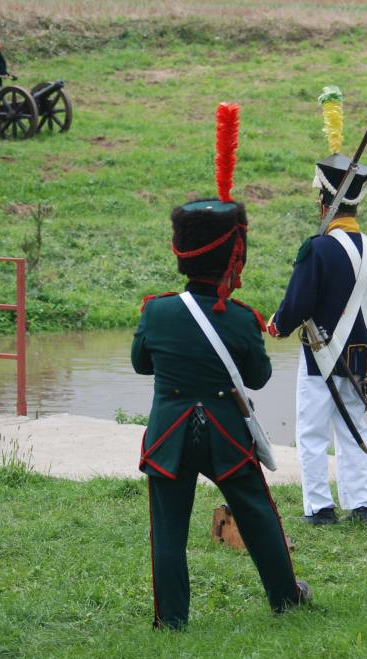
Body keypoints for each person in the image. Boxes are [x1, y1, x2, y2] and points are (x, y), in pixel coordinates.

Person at [131, 103, 310, 630]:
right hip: (226, 432)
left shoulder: (157, 311)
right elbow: (257, 378)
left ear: (183, 255)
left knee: (168, 529)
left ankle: (172, 620)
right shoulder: (238, 320)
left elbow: (141, 364)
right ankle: (285, 598)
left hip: (169, 432)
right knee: (258, 515)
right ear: (232, 256)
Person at [268, 86, 367, 525]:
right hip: (359, 355)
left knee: (313, 433)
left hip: (320, 355)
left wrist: (277, 326)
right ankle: (360, 503)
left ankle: (319, 507)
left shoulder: (317, 248)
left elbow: (298, 302)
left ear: (326, 202)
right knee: (354, 432)